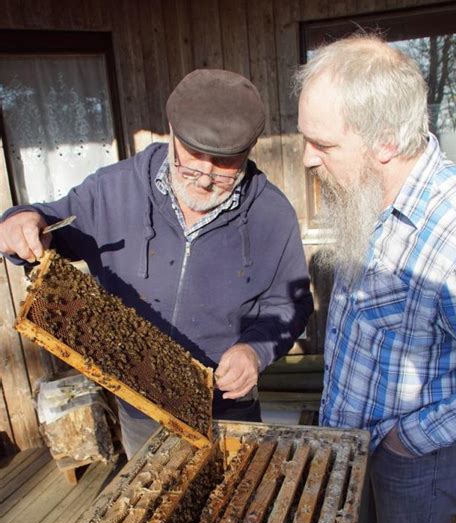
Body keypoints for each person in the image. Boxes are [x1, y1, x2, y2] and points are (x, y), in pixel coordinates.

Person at [0, 69, 313, 458]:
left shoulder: (272, 213)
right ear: (171, 132)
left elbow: (291, 304)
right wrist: (20, 221)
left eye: (224, 163)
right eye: (194, 157)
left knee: (235, 509)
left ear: (248, 152)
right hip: (140, 407)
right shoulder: (112, 190)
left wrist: (256, 350)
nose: (206, 176)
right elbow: (47, 222)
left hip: (230, 409)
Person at [296, 34, 456, 523]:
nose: (309, 160)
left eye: (323, 144)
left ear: (385, 143)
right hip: (359, 444)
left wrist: (407, 437)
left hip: (414, 461)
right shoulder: (370, 187)